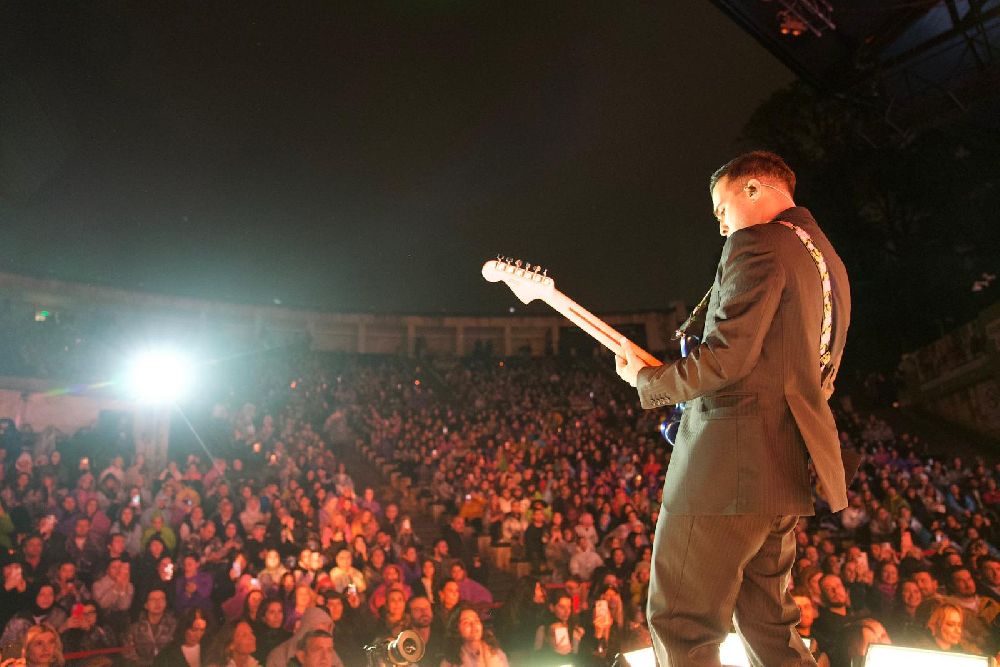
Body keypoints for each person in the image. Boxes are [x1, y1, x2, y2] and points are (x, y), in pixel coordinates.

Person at [615, 151, 852, 666]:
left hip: (727, 470)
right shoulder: (825, 258)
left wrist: (646, 379)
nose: (722, 228)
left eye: (722, 210)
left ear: (753, 190)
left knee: (682, 624)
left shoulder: (759, 243)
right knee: (770, 629)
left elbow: (727, 356)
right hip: (783, 469)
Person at [440, 606, 508, 667]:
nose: (473, 625)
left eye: (476, 620)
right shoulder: (450, 662)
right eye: (466, 622)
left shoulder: (496, 652)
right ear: (456, 628)